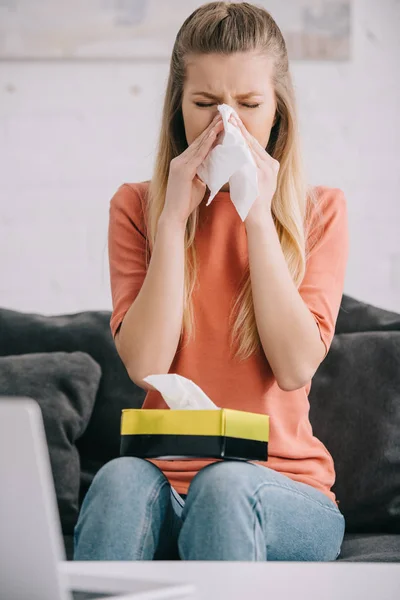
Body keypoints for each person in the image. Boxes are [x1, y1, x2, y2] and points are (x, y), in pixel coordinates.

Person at [74, 1, 348, 561]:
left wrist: (258, 217)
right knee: (119, 479)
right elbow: (145, 362)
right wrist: (173, 219)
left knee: (226, 483)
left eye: (249, 105)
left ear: (278, 111)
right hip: (166, 483)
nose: (227, 124)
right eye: (205, 103)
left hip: (283, 491)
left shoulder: (320, 211)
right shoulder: (137, 207)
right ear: (178, 108)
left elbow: (296, 367)